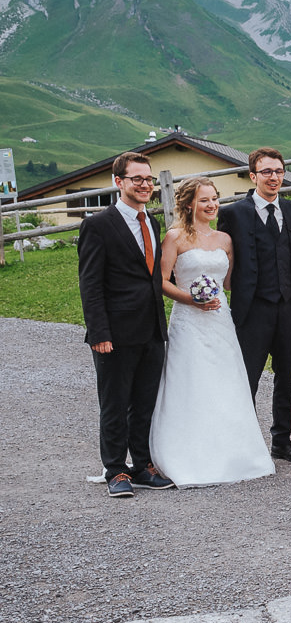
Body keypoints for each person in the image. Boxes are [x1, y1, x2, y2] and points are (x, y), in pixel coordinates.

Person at [149, 177, 275, 487]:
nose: (212, 205)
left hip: (220, 322)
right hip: (188, 322)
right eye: (205, 200)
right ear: (189, 203)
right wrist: (191, 298)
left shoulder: (225, 240)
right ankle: (186, 454)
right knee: (190, 382)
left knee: (225, 382)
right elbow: (162, 281)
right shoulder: (175, 237)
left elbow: (228, 283)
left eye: (215, 199)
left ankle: (233, 453)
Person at [77, 153, 174, 498]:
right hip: (115, 332)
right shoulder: (98, 225)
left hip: (152, 329)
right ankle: (116, 470)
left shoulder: (152, 222)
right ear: (119, 182)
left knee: (145, 401)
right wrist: (99, 332)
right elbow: (90, 285)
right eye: (137, 179)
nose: (145, 185)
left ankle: (143, 465)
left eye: (148, 179)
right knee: (115, 402)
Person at [217, 147, 291, 461]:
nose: (274, 177)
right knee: (247, 377)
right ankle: (244, 442)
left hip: (289, 306)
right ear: (253, 175)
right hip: (252, 309)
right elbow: (221, 256)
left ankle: (282, 439)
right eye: (266, 172)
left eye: (278, 171)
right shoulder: (233, 213)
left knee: (286, 376)